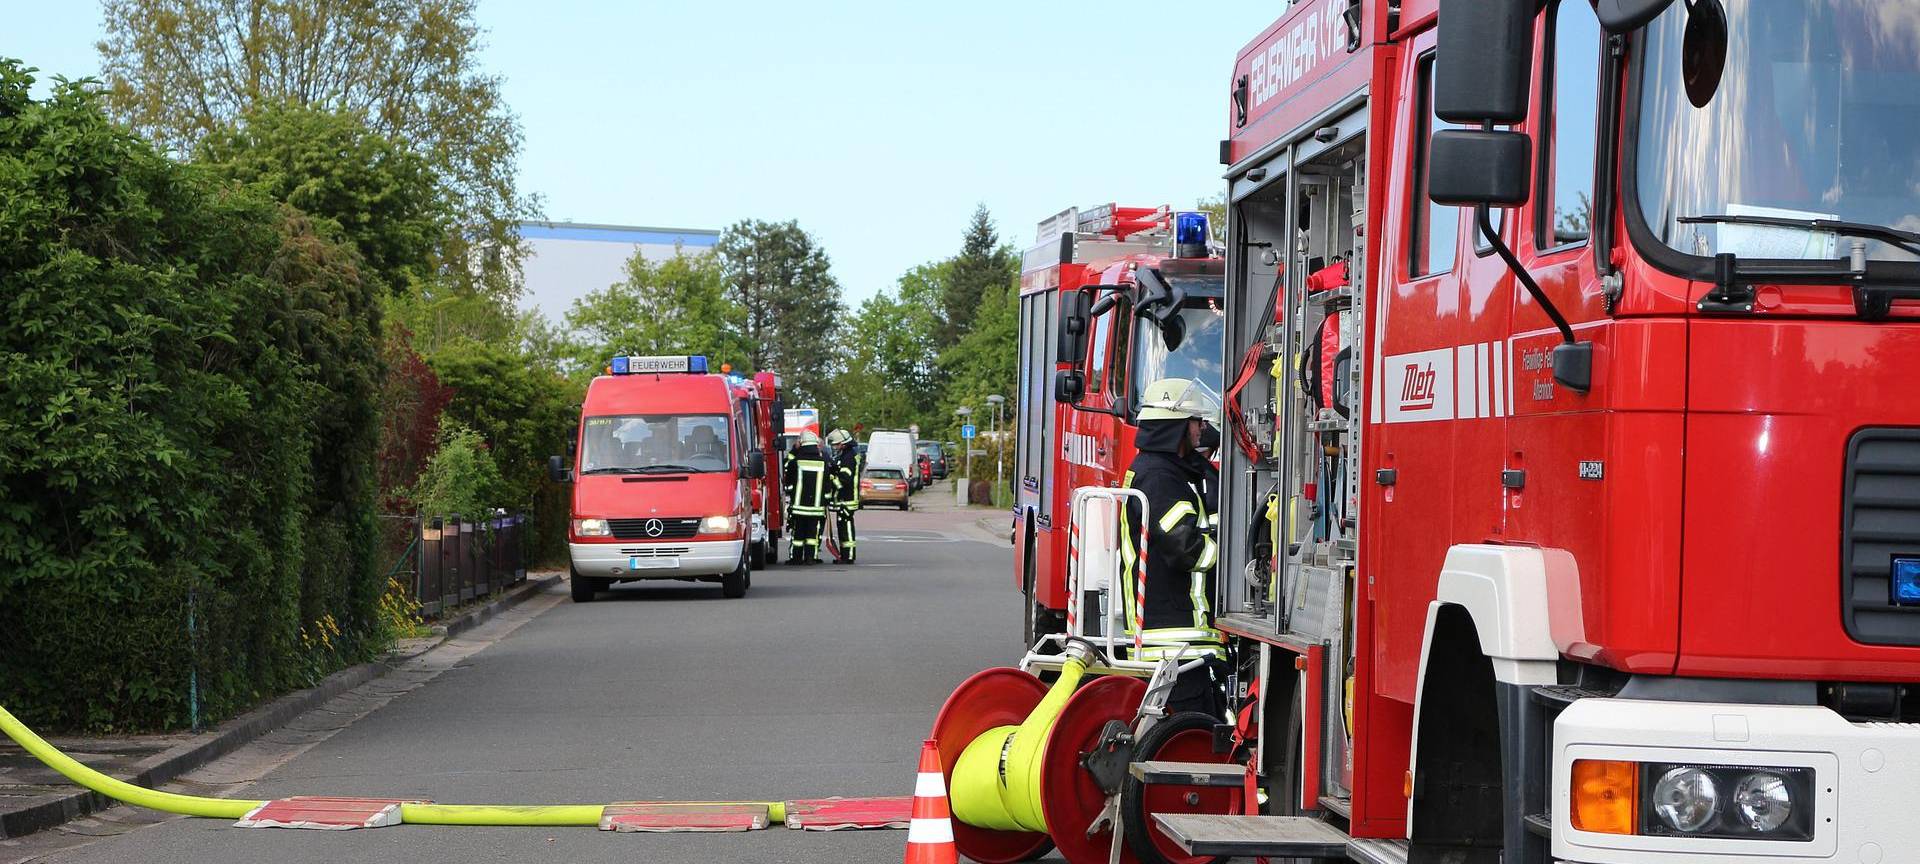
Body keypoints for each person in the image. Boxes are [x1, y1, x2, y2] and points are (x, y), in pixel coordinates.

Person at [1120, 378, 1227, 716]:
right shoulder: (1158, 478)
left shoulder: (1173, 472)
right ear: (1177, 426)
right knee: (1190, 737)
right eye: (1196, 422)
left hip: (1181, 639)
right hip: (1171, 641)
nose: (1201, 430)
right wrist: (1233, 560)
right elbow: (1185, 548)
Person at [783, 430, 830, 564]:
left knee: (798, 534)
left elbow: (789, 481)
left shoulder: (796, 462)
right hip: (816, 507)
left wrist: (791, 494)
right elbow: (827, 484)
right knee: (812, 534)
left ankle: (796, 558)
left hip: (799, 507)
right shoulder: (823, 463)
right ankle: (810, 557)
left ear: (802, 444)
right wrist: (826, 500)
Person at [825, 428, 862, 564]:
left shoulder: (848, 457)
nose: (834, 447)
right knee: (842, 527)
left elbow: (844, 479)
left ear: (843, 444)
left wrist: (831, 480)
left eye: (836, 444)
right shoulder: (847, 454)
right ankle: (845, 554)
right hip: (845, 499)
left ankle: (848, 556)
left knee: (846, 527)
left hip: (847, 499)